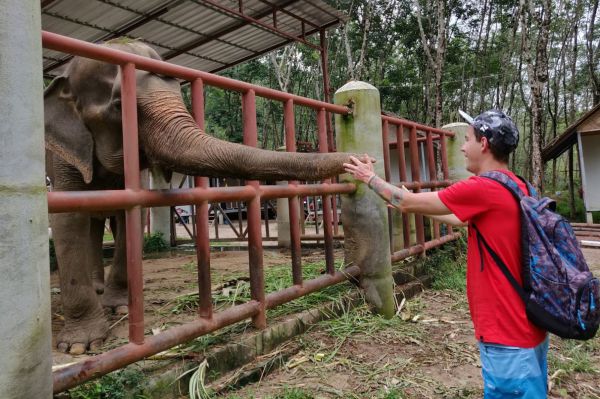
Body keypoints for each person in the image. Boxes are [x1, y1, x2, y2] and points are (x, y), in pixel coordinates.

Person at [343, 109, 548, 398]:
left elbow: (404, 200)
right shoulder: (518, 185)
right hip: (529, 325)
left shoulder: (484, 187)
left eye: (467, 140)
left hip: (506, 332)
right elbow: (462, 219)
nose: (463, 147)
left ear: (484, 144)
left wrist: (369, 177)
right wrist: (416, 206)